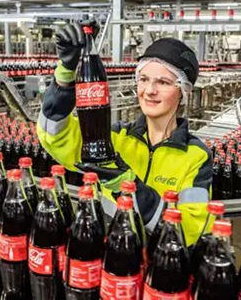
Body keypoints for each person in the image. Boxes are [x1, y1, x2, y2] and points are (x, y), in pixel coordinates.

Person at [37, 22, 212, 246]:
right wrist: (65, 73)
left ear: (184, 92)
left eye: (163, 82)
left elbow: (189, 230)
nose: (149, 91)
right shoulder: (116, 138)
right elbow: (54, 136)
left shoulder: (196, 156)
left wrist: (129, 187)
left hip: (162, 268)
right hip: (111, 258)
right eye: (144, 79)